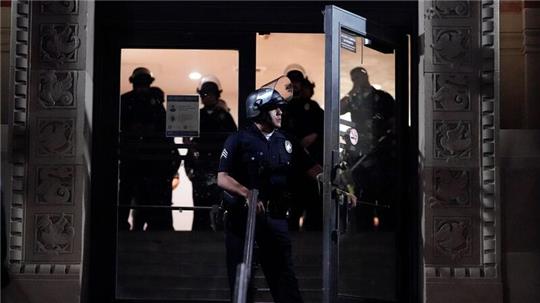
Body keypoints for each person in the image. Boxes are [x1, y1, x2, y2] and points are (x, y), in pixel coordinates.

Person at [217, 79, 323, 303]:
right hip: (242, 220)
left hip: (275, 219)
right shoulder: (238, 140)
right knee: (242, 282)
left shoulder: (286, 140)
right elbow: (222, 178)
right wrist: (247, 194)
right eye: (275, 108)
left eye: (280, 108)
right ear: (260, 110)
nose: (280, 112)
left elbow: (311, 168)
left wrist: (336, 186)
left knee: (285, 281)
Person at [119, 67, 180, 231]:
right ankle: (125, 225)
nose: (142, 88)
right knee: (128, 193)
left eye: (144, 84)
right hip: (132, 157)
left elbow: (164, 129)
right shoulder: (125, 101)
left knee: (150, 196)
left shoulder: (155, 103)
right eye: (140, 84)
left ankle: (153, 226)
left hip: (152, 160)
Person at [339, 66, 397, 231]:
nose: (358, 81)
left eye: (360, 77)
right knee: (363, 192)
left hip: (381, 154)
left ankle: (387, 230)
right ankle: (363, 231)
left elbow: (394, 122)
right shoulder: (354, 99)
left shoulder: (383, 97)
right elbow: (338, 110)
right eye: (354, 78)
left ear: (366, 77)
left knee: (384, 193)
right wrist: (351, 92)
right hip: (360, 154)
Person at [184, 75, 237, 231]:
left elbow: (233, 139)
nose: (207, 98)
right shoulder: (196, 115)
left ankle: (220, 230)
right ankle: (200, 231)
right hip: (200, 166)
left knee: (219, 204)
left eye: (210, 94)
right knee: (200, 205)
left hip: (218, 166)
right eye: (205, 95)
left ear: (216, 95)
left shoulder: (224, 116)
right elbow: (188, 138)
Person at [282, 68, 324, 231]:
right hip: (292, 164)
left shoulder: (312, 107)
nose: (295, 86)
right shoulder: (284, 107)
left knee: (313, 204)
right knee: (294, 205)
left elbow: (322, 129)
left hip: (311, 163)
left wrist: (313, 137)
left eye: (297, 82)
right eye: (291, 83)